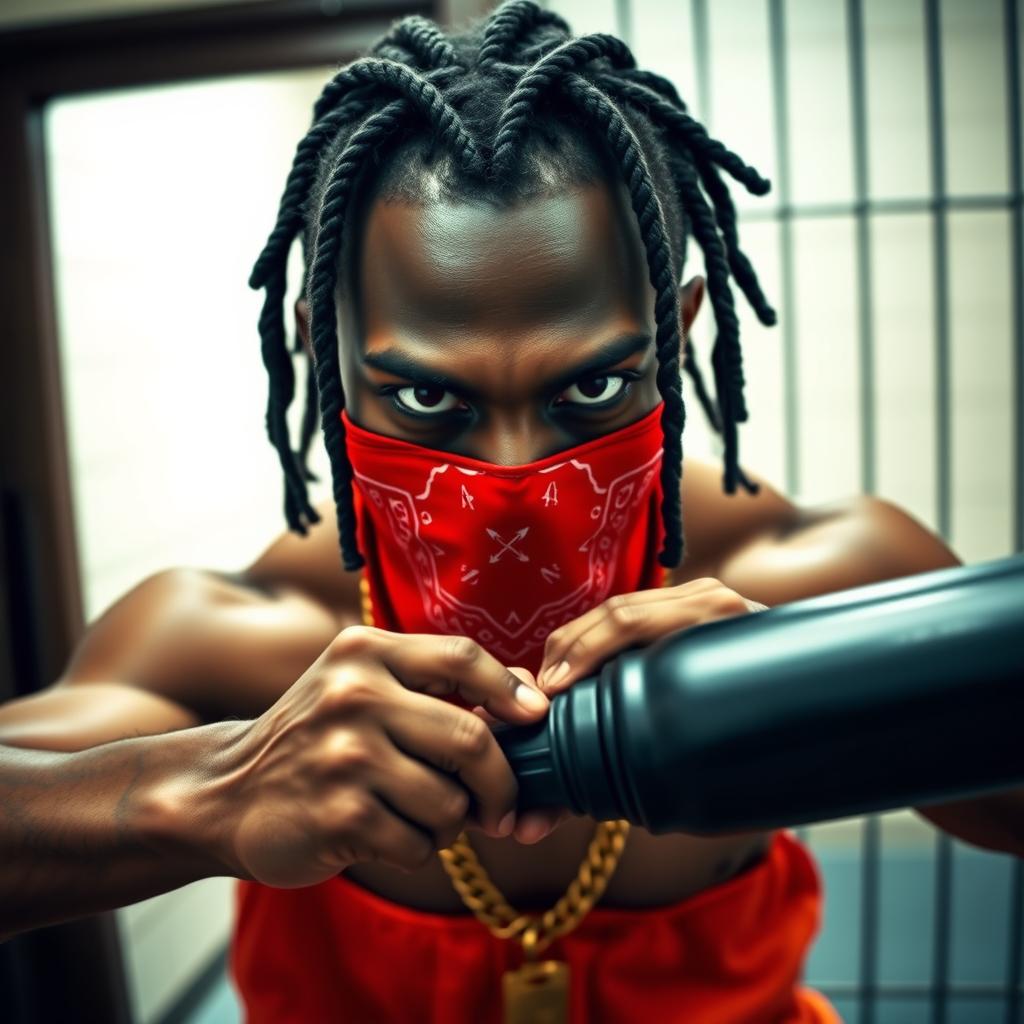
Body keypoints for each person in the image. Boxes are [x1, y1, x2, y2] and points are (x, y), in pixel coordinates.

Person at [1, 2, 1021, 1020]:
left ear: (678, 334)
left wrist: (831, 689)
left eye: (590, 391)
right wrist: (201, 792)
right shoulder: (234, 638)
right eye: (428, 399)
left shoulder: (814, 577)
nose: (514, 485)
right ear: (326, 357)